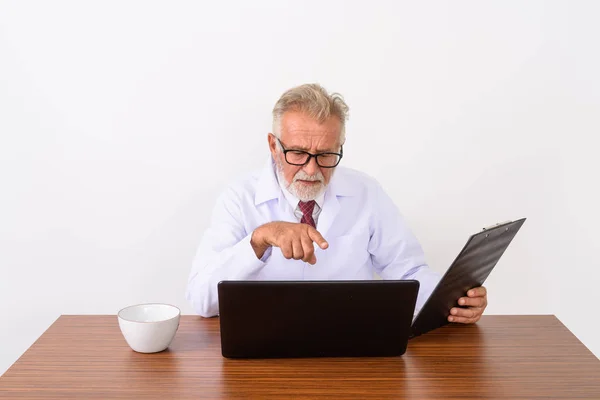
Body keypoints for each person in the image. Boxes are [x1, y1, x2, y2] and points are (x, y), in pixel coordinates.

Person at [185, 83, 488, 322]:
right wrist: (259, 239)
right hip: (264, 349)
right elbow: (202, 299)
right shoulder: (239, 197)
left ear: (340, 146)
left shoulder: (366, 192)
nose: (312, 169)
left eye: (326, 155)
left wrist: (454, 300)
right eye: (298, 153)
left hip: (352, 347)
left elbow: (408, 273)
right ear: (273, 147)